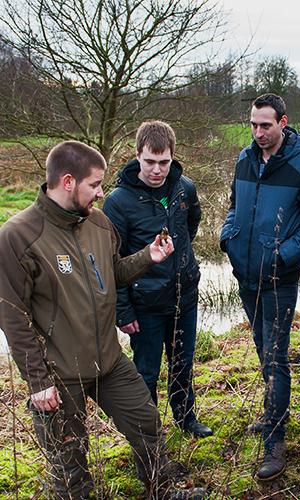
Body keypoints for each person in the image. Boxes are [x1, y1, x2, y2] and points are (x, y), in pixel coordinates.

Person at [0, 141, 204, 499]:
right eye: (95, 185)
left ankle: (161, 489)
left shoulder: (99, 222)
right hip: (60, 373)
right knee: (69, 459)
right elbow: (11, 315)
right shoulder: (18, 236)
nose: (101, 192)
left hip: (108, 360)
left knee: (146, 421)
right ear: (67, 181)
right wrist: (37, 380)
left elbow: (112, 273)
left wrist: (147, 257)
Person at [220, 93, 300, 480]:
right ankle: (273, 412)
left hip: (279, 279)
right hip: (246, 275)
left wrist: (285, 254)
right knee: (260, 346)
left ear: (283, 123)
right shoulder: (244, 157)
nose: (258, 132)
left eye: (265, 125)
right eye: (253, 124)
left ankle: (275, 438)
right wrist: (228, 236)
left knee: (275, 354)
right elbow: (234, 204)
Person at [103, 121, 212, 438]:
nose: (157, 170)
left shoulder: (184, 189)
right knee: (146, 372)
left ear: (172, 158)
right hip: (145, 305)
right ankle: (150, 431)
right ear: (137, 155)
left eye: (164, 162)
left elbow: (190, 228)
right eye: (150, 161)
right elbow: (114, 262)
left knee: (183, 362)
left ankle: (186, 418)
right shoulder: (118, 202)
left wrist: (183, 265)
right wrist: (123, 311)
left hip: (183, 297)